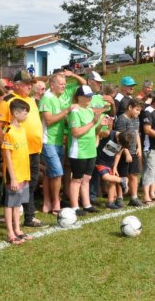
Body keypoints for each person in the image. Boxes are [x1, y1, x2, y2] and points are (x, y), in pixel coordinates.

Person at [0, 70, 46, 228]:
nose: (30, 86)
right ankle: (25, 217)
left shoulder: (30, 100)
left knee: (31, 184)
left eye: (31, 83)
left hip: (34, 150)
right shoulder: (7, 101)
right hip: (18, 153)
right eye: (26, 83)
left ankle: (27, 216)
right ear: (16, 85)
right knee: (15, 185)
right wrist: (6, 148)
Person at [67, 85, 104, 215]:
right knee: (77, 179)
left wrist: (101, 125)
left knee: (86, 178)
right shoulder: (75, 112)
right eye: (87, 96)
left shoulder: (88, 110)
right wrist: (93, 122)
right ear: (79, 97)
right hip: (79, 151)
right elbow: (76, 133)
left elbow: (93, 131)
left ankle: (86, 204)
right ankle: (74, 206)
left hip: (90, 150)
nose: (89, 98)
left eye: (90, 96)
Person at [39, 73, 71, 215]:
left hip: (58, 142)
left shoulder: (58, 99)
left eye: (64, 84)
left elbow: (61, 119)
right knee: (57, 172)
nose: (64, 86)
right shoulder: (47, 98)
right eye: (61, 84)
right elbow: (49, 120)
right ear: (52, 85)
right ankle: (56, 201)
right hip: (48, 141)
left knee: (49, 173)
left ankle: (47, 202)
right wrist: (66, 112)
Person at [1, 99, 33, 245]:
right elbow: (7, 156)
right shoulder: (9, 131)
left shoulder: (22, 129)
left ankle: (18, 230)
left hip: (23, 173)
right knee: (10, 203)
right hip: (14, 175)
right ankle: (10, 233)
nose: (26, 115)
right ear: (16, 113)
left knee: (18, 203)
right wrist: (12, 178)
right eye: (25, 113)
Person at [114, 98, 143, 206]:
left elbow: (136, 133)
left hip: (134, 151)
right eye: (137, 110)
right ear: (130, 107)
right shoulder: (122, 120)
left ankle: (134, 197)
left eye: (140, 110)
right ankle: (119, 197)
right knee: (122, 175)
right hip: (123, 152)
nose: (138, 112)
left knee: (134, 174)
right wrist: (126, 152)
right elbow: (120, 139)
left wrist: (139, 147)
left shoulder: (136, 118)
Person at [95, 129, 131, 209]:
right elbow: (97, 134)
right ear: (118, 139)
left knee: (112, 181)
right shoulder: (108, 133)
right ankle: (122, 180)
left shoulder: (123, 141)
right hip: (100, 160)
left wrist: (115, 167)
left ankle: (110, 202)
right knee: (105, 177)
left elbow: (118, 154)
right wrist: (96, 145)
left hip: (110, 162)